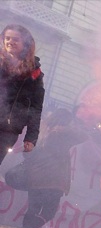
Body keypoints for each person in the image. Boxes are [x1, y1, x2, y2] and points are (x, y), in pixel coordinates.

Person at [19, 108, 86, 228]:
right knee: (49, 212)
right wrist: (79, 122)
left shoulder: (42, 131)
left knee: (33, 209)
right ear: (66, 121)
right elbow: (83, 136)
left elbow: (27, 153)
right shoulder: (63, 134)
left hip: (36, 178)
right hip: (53, 180)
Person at [0, 24, 43, 166]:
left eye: (15, 39)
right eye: (7, 38)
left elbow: (36, 107)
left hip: (7, 131)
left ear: (25, 44)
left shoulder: (34, 73)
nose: (10, 42)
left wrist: (31, 137)